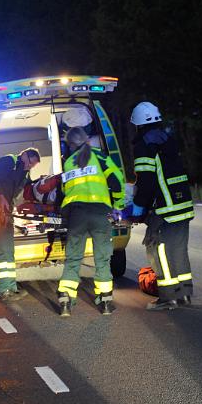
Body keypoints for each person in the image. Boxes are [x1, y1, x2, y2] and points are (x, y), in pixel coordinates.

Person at [130, 101, 194, 311]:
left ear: (138, 124)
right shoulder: (168, 139)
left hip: (164, 208)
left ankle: (167, 297)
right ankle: (184, 295)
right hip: (183, 203)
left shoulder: (144, 145)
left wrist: (139, 205)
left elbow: (147, 181)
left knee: (157, 251)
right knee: (178, 250)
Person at [57, 128, 125, 316]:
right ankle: (105, 302)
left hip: (77, 215)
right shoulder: (100, 157)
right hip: (99, 213)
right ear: (87, 140)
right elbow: (117, 180)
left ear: (70, 145)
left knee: (73, 259)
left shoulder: (68, 162)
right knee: (102, 259)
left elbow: (64, 190)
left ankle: (65, 300)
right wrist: (117, 204)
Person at [0, 148, 40, 301]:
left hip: (6, 211)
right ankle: (3, 289)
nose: (30, 167)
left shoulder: (24, 172)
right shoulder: (8, 160)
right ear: (23, 155)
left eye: (33, 166)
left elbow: (27, 190)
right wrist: (2, 198)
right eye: (30, 163)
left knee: (9, 250)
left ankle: (12, 287)